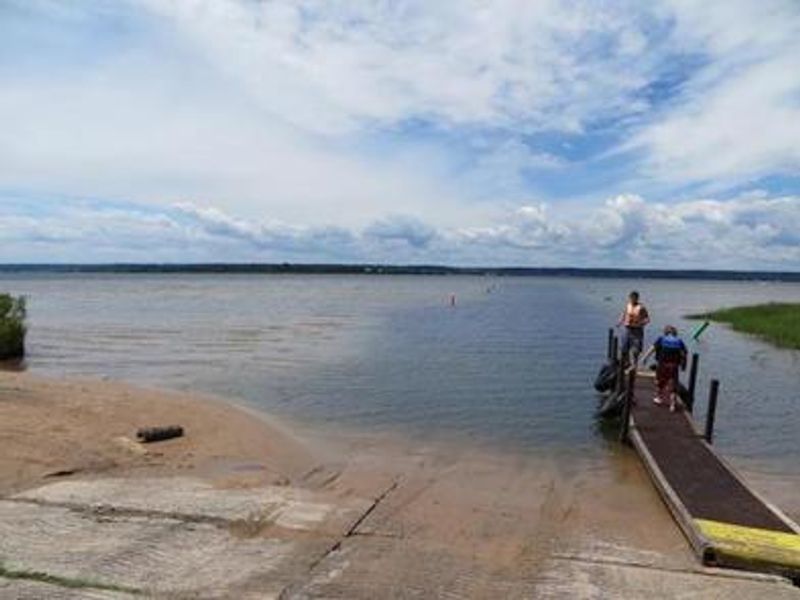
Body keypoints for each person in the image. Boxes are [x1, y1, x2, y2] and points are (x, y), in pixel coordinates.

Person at [642, 325, 688, 412]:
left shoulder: (661, 339)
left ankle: (659, 398)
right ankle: (672, 404)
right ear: (675, 333)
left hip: (662, 365)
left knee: (660, 381)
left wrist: (645, 358)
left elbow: (652, 349)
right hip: (673, 366)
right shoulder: (679, 341)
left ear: (666, 332)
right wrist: (683, 365)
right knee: (673, 384)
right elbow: (684, 354)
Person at [617, 291, 650, 367]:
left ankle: (635, 365)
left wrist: (642, 323)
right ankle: (627, 362)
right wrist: (620, 322)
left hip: (637, 330)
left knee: (636, 349)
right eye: (631, 298)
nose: (632, 299)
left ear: (637, 298)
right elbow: (624, 314)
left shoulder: (641, 307)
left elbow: (647, 319)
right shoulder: (627, 306)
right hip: (627, 328)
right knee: (624, 347)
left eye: (634, 298)